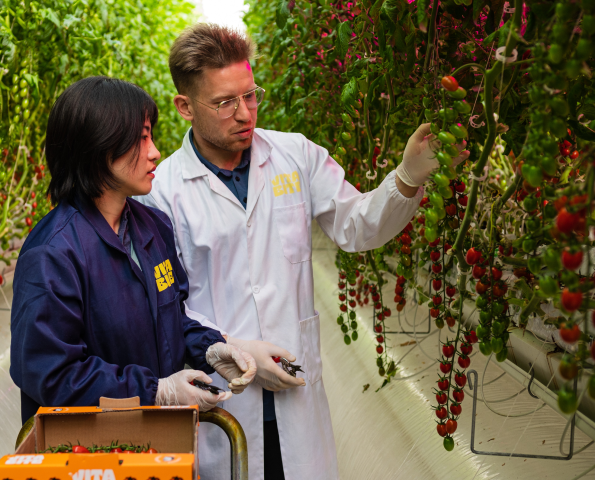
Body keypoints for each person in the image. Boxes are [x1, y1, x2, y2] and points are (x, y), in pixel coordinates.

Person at [137, 24, 469, 480]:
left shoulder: (295, 155)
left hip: (295, 393)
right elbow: (164, 308)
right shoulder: (163, 192)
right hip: (220, 393)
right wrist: (233, 349)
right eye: (225, 102)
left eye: (250, 95)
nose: (244, 113)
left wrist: (407, 177)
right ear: (185, 107)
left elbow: (357, 227)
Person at [9, 76, 257, 424]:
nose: (155, 151)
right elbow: (50, 373)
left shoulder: (153, 228)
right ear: (98, 146)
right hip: (88, 455)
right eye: (141, 138)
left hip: (156, 440)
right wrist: (153, 390)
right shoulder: (53, 254)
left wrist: (209, 348)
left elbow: (171, 318)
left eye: (150, 136)